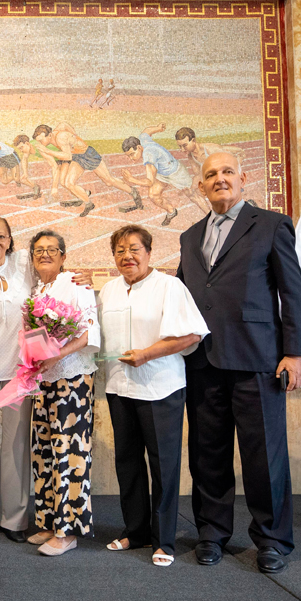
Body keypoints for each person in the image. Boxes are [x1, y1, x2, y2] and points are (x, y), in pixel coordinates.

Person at [176, 152, 301, 574]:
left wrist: (294, 353)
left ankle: (272, 539)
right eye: (211, 174)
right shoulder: (189, 235)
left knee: (263, 454)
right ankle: (212, 533)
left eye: (227, 172)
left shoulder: (271, 225)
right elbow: (181, 295)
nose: (219, 179)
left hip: (259, 359)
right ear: (201, 186)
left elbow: (293, 292)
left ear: (243, 178)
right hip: (203, 361)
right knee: (207, 453)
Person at [0, 215, 94, 550]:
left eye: (0, 235)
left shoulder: (24, 265)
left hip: (22, 370)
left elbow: (54, 274)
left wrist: (81, 275)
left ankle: (14, 519)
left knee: (17, 444)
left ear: (11, 239)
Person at [97, 225, 209, 567]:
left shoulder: (169, 287)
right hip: (119, 387)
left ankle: (164, 540)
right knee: (127, 462)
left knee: (163, 464)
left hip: (160, 387)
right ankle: (135, 530)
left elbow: (192, 334)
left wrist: (148, 354)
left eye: (134, 249)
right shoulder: (109, 291)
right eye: (119, 250)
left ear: (148, 252)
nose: (126, 256)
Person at [26, 230, 100, 556]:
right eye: (38, 250)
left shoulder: (75, 284)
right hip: (44, 382)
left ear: (63, 255)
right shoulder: (36, 290)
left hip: (73, 379)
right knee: (44, 453)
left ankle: (68, 531)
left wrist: (58, 354)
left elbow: (89, 332)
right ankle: (47, 521)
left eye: (51, 249)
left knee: (70, 456)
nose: (44, 254)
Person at [31, 123, 135, 217]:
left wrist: (48, 151)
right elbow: (63, 124)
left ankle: (133, 192)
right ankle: (88, 203)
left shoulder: (60, 137)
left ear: (49, 135)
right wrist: (74, 134)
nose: (40, 143)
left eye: (41, 140)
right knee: (68, 183)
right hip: (78, 157)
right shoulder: (54, 132)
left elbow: (67, 156)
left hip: (88, 155)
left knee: (109, 181)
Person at [121, 123, 210, 226]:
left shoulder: (149, 154)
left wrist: (132, 180)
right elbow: (147, 130)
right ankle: (171, 211)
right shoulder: (142, 139)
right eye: (129, 156)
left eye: (132, 154)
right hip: (162, 173)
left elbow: (149, 181)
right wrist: (158, 128)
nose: (131, 158)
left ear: (139, 147)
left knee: (193, 195)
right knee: (153, 195)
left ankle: (211, 217)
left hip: (176, 172)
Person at [174, 126, 246, 172]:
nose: (182, 150)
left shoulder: (210, 149)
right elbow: (198, 174)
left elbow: (239, 151)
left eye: (185, 145)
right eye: (180, 146)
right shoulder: (191, 157)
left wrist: (238, 163)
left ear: (193, 141)